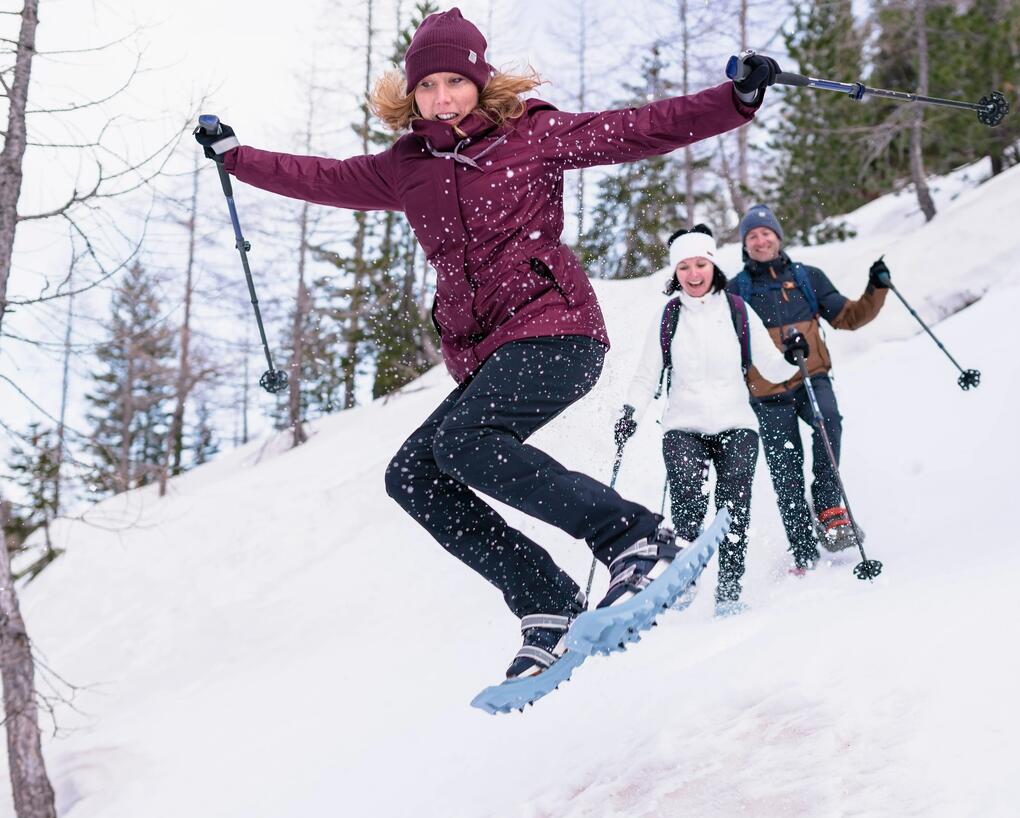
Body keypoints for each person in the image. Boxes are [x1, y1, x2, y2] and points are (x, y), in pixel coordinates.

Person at [194, 10, 779, 680]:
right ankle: (546, 600)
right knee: (413, 476)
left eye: (455, 81)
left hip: (557, 329)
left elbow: (637, 127)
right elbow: (323, 177)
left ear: (479, 81)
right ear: (412, 93)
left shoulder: (531, 134)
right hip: (488, 353)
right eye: (427, 85)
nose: (441, 97)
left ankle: (636, 538)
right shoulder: (405, 167)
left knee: (465, 443)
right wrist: (237, 157)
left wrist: (735, 99)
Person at [614, 224, 798, 616]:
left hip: (737, 424)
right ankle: (685, 578)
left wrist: (793, 357)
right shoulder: (668, 316)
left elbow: (771, 367)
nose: (693, 274)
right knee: (687, 507)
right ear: (675, 272)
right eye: (684, 267)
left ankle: (729, 591)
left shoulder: (737, 310)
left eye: (700, 264)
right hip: (683, 426)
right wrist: (630, 412)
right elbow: (646, 375)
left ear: (713, 265)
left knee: (733, 511)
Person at [727, 204, 890, 574]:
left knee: (829, 421)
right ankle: (802, 548)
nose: (760, 240)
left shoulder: (806, 277)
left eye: (766, 232)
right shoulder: (737, 290)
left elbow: (848, 317)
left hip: (810, 377)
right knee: (785, 469)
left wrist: (876, 288)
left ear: (778, 236)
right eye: (752, 236)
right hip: (767, 393)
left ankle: (830, 508)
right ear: (745, 245)